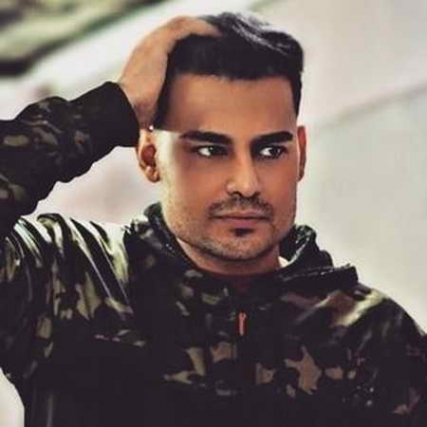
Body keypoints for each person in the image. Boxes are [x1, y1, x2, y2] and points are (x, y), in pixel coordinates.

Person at [0, 11, 425, 427]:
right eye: (210, 150)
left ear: (300, 154)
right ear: (150, 156)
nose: (246, 183)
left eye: (270, 151)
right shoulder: (67, 277)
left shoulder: (373, 335)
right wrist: (113, 109)